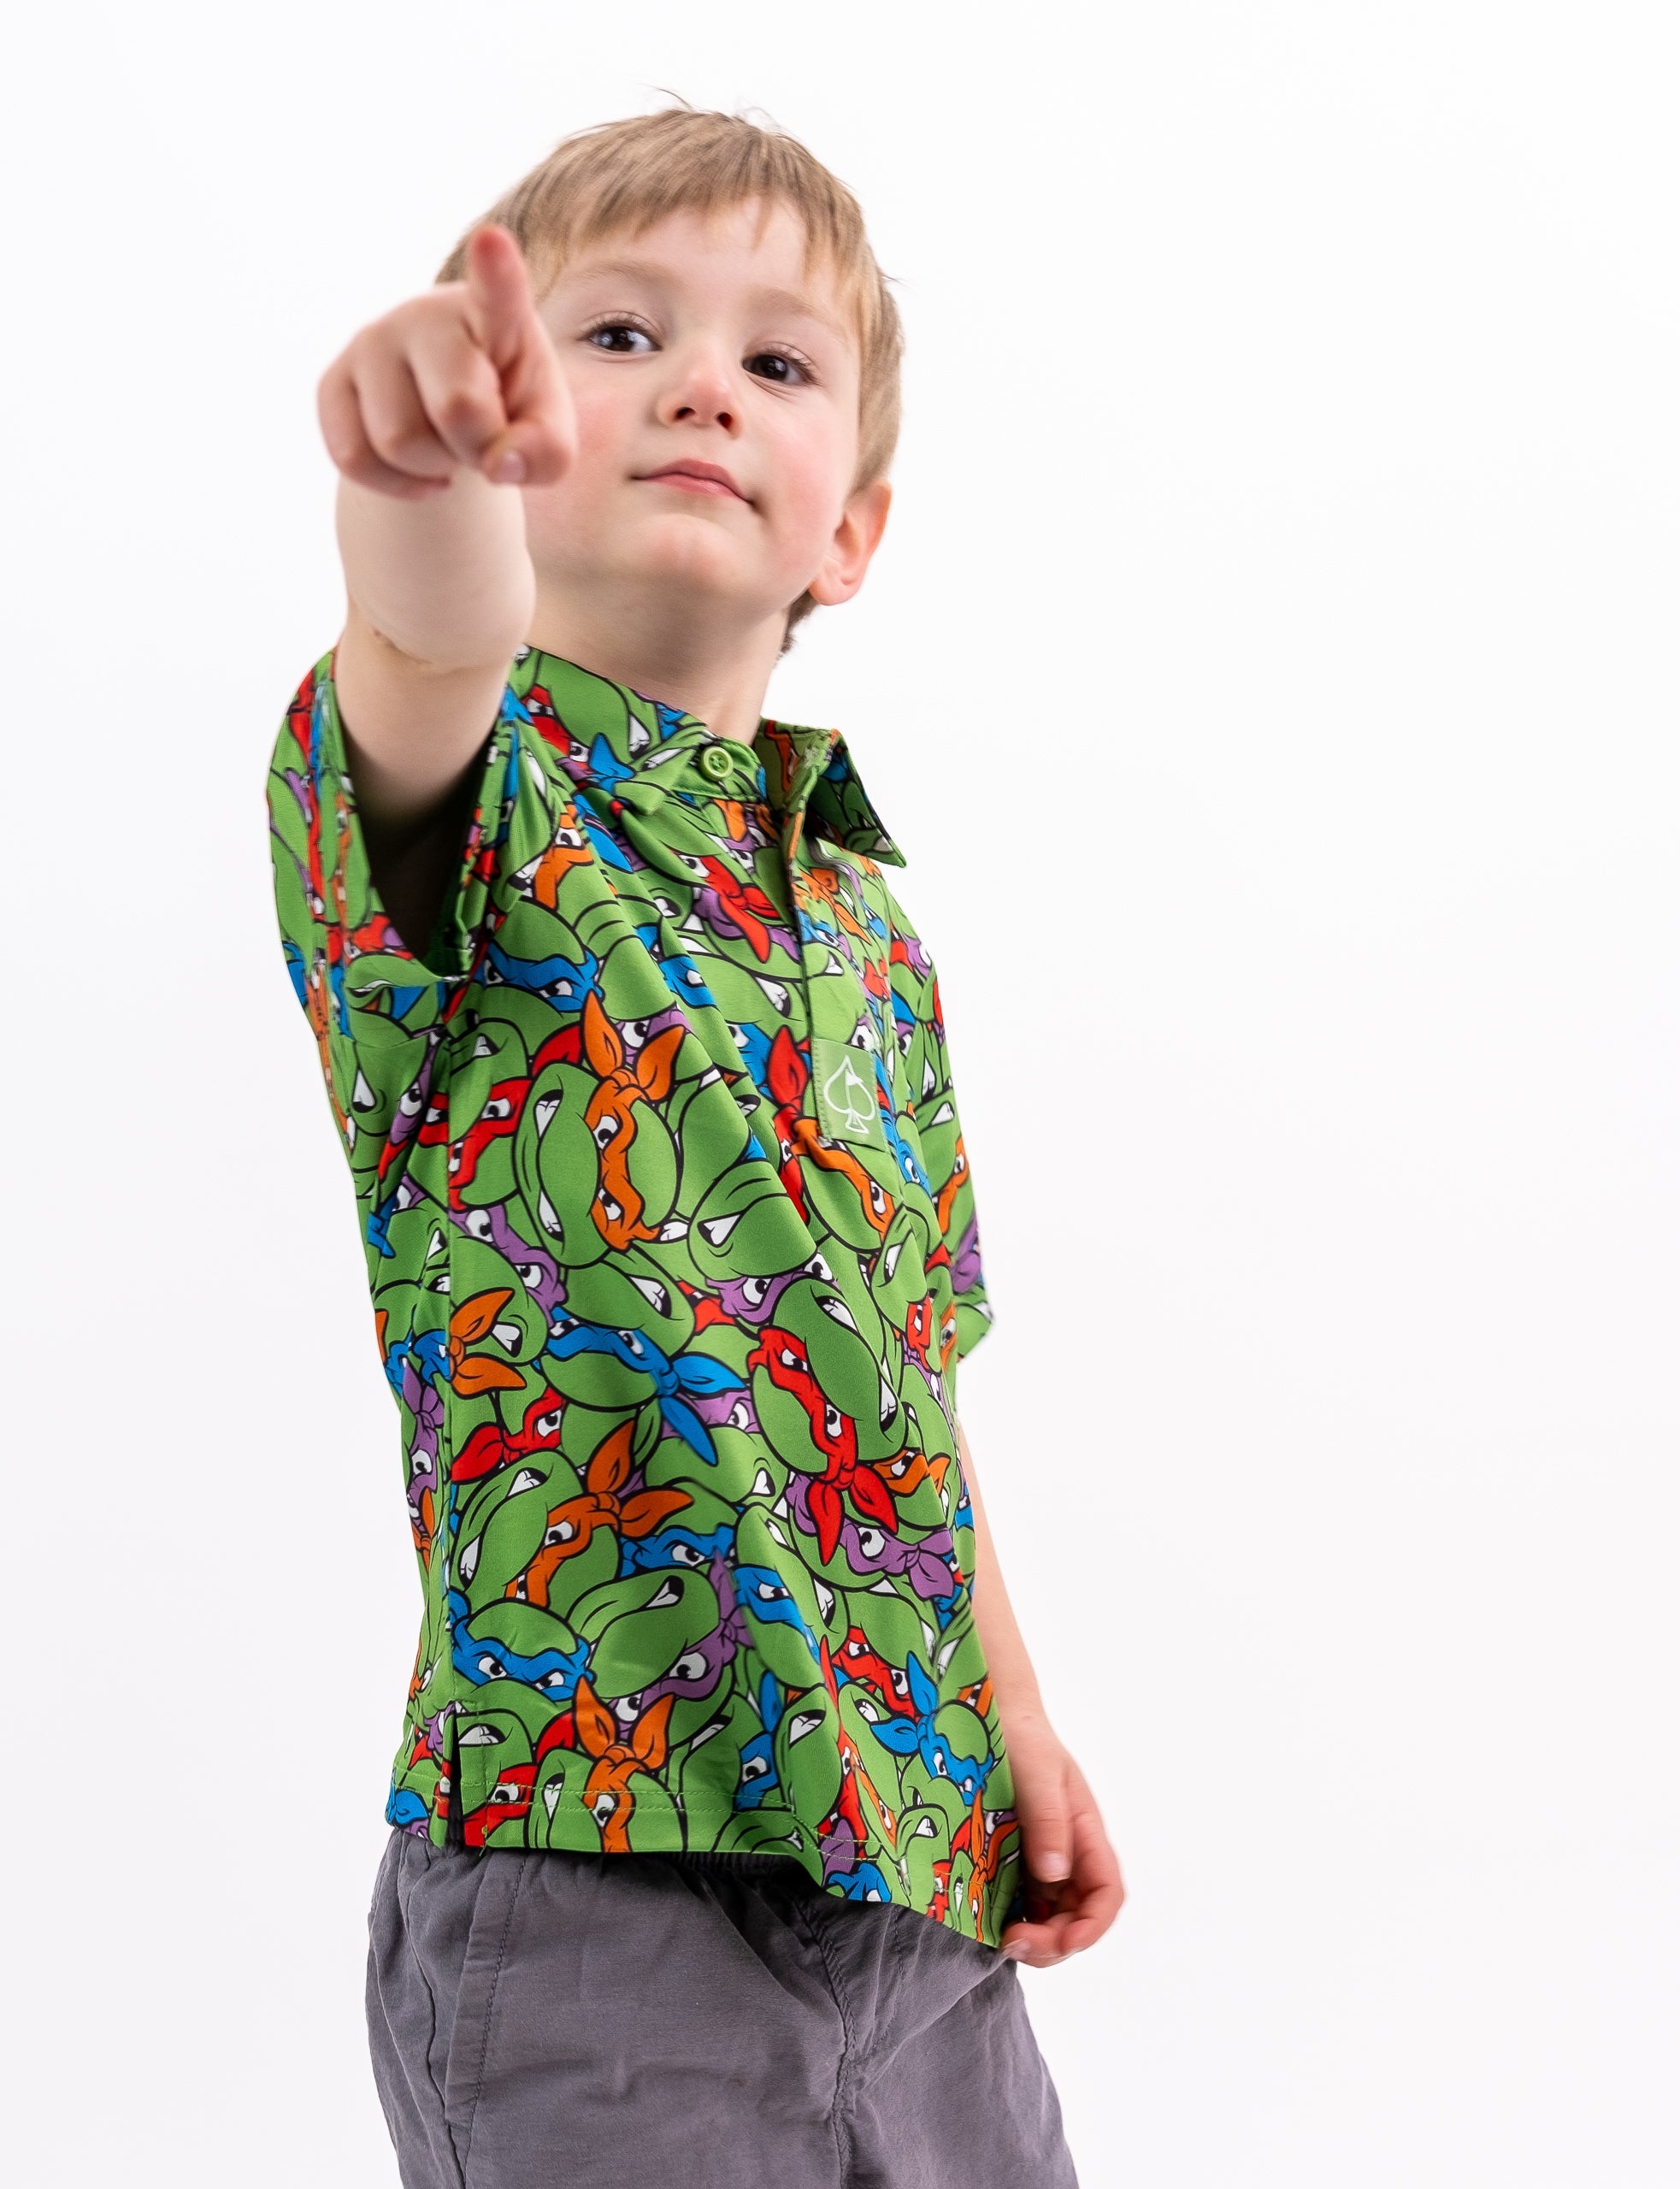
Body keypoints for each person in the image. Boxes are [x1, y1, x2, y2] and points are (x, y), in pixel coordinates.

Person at [264, 103, 1123, 2189]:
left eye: (777, 362)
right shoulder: (472, 807)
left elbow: (907, 1367)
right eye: (620, 335)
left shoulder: (862, 922)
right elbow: (430, 633)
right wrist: (419, 483)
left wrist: (1011, 1709)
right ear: (518, 422)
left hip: (911, 1868)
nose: (701, 386)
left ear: (853, 534)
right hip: (595, 1869)